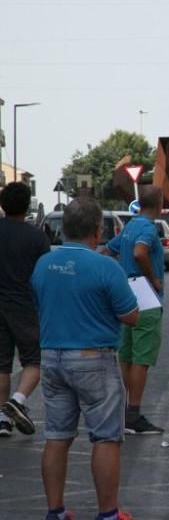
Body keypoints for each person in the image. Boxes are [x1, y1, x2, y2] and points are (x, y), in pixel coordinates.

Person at [31, 198, 150, 520]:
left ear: (64, 228)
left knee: (56, 437)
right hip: (92, 359)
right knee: (107, 438)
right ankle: (108, 518)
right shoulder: (105, 267)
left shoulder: (44, 264)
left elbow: (40, 302)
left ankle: (55, 516)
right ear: (98, 231)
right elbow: (130, 314)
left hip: (51, 357)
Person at [104, 186, 165, 435]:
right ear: (159, 203)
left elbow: (108, 250)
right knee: (142, 357)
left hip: (126, 295)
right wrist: (153, 279)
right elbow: (141, 252)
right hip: (146, 297)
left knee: (127, 355)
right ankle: (134, 414)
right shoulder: (148, 228)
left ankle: (126, 410)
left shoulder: (129, 226)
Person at [0, 182, 50, 438]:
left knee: (2, 365)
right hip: (24, 307)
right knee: (34, 360)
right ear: (27, 205)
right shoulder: (37, 237)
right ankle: (17, 401)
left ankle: (2, 419)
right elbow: (44, 278)